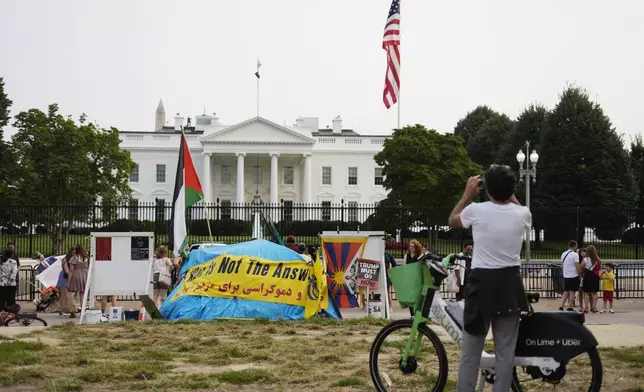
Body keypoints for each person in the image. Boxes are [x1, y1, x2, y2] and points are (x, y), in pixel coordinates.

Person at [448, 166, 531, 392]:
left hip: (481, 284)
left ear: (487, 189)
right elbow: (518, 205)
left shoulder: (476, 210)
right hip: (509, 285)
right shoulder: (523, 214)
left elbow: (453, 220)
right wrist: (509, 190)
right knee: (505, 352)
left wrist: (467, 194)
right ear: (512, 189)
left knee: (471, 353)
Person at [67, 244, 89, 319]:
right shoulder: (86, 258)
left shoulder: (74, 258)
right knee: (83, 294)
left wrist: (69, 281)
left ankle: (73, 311)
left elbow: (71, 270)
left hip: (76, 275)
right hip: (85, 275)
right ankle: (83, 311)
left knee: (74, 294)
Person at [559, 240, 580, 311]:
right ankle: (570, 306)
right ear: (575, 246)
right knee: (572, 291)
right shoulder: (575, 255)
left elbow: (562, 265)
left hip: (566, 275)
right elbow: (577, 265)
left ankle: (561, 306)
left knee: (566, 291)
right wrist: (579, 273)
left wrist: (564, 272)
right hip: (574, 275)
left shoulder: (563, 254)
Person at [582, 245, 602, 313]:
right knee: (594, 293)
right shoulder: (598, 260)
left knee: (586, 292)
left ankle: (586, 307)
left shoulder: (585, 259)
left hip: (587, 276)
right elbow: (599, 269)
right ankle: (594, 307)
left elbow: (581, 267)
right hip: (595, 276)